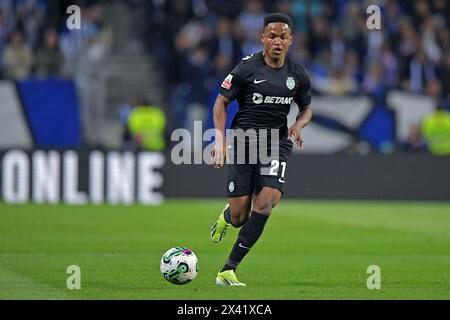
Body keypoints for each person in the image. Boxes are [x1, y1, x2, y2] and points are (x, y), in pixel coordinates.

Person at [210, 13, 312, 286]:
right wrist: (219, 140)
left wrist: (298, 125)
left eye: (283, 37)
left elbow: (307, 109)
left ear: (290, 41)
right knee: (240, 216)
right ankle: (227, 216)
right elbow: (220, 103)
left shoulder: (297, 75)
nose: (278, 42)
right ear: (263, 38)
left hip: (277, 143)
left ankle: (227, 270)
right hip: (244, 142)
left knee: (266, 202)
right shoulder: (246, 69)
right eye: (273, 36)